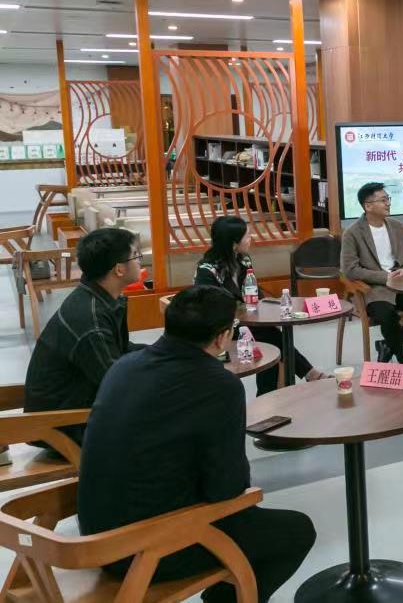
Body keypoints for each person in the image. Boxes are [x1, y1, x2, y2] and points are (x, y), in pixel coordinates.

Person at [78, 286, 315, 602]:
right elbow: (226, 489)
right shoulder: (218, 385)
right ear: (222, 337)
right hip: (148, 547)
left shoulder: (124, 366)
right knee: (296, 531)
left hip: (94, 535)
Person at [23, 227, 145, 447]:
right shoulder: (91, 319)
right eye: (136, 255)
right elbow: (116, 383)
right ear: (119, 269)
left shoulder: (98, 298)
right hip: (63, 428)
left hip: (75, 408)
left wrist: (165, 353)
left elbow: (121, 350)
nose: (140, 261)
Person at [195, 216, 329, 395]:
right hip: (219, 328)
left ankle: (274, 391)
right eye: (247, 236)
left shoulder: (243, 260)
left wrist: (265, 308)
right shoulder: (207, 270)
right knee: (271, 337)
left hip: (244, 322)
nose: (251, 239)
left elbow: (254, 293)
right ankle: (302, 377)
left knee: (270, 335)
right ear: (233, 243)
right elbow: (210, 307)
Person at [340, 182, 403, 375]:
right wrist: (384, 277)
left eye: (388, 199)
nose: (388, 203)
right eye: (383, 200)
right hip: (374, 288)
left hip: (402, 284)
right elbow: (349, 269)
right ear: (368, 206)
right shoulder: (352, 233)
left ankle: (387, 345)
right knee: (387, 316)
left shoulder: (396, 226)